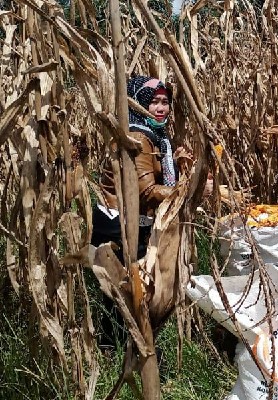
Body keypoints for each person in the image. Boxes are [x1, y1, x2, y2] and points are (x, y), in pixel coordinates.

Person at [91, 75, 211, 348]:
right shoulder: (138, 138)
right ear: (137, 104)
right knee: (124, 294)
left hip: (133, 223)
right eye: (153, 102)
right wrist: (193, 189)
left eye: (165, 102)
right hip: (119, 227)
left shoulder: (155, 137)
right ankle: (118, 351)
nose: (160, 108)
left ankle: (125, 349)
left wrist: (182, 167)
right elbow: (147, 192)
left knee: (129, 294)